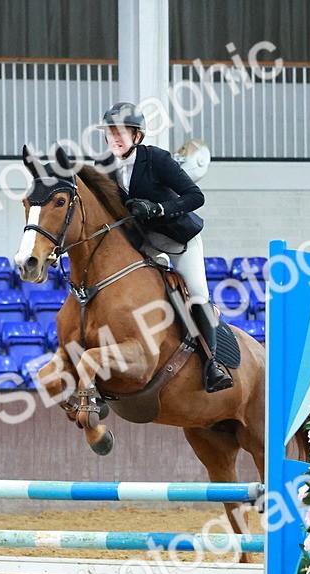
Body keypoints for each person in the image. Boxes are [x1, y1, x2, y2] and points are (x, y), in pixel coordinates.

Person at [96, 101, 233, 393]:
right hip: (143, 242)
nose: (114, 138)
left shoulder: (156, 159)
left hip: (177, 238)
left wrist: (157, 208)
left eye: (121, 132)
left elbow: (195, 196)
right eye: (110, 133)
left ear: (137, 136)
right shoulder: (104, 166)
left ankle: (213, 364)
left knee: (198, 294)